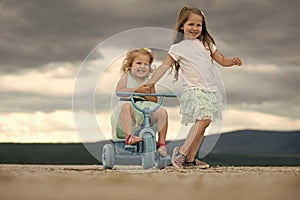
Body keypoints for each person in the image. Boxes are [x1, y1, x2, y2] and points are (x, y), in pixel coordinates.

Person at [146, 7, 242, 169]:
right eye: (191, 24)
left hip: (210, 90)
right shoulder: (177, 48)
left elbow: (222, 60)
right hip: (194, 89)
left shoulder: (207, 45)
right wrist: (152, 82)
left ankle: (190, 160)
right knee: (203, 120)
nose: (195, 28)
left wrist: (233, 61)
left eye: (199, 25)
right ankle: (181, 153)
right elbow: (164, 66)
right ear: (182, 26)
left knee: (205, 122)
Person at [113, 48, 169, 157]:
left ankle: (161, 144)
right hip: (130, 106)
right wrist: (136, 90)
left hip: (145, 108)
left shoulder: (149, 81)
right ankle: (129, 137)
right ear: (130, 66)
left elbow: (154, 100)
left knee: (162, 112)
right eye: (138, 63)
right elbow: (119, 91)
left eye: (146, 64)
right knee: (126, 106)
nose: (142, 66)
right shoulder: (127, 76)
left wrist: (145, 95)